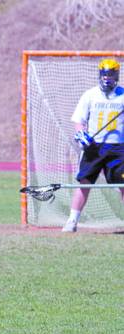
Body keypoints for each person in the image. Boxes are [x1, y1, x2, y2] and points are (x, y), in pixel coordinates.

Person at [63, 58, 124, 232]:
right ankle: (72, 221)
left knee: (123, 185)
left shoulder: (123, 94)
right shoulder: (90, 95)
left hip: (118, 148)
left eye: (111, 74)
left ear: (116, 75)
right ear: (100, 75)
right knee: (85, 183)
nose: (107, 77)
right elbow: (79, 120)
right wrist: (82, 134)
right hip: (94, 147)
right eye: (104, 74)